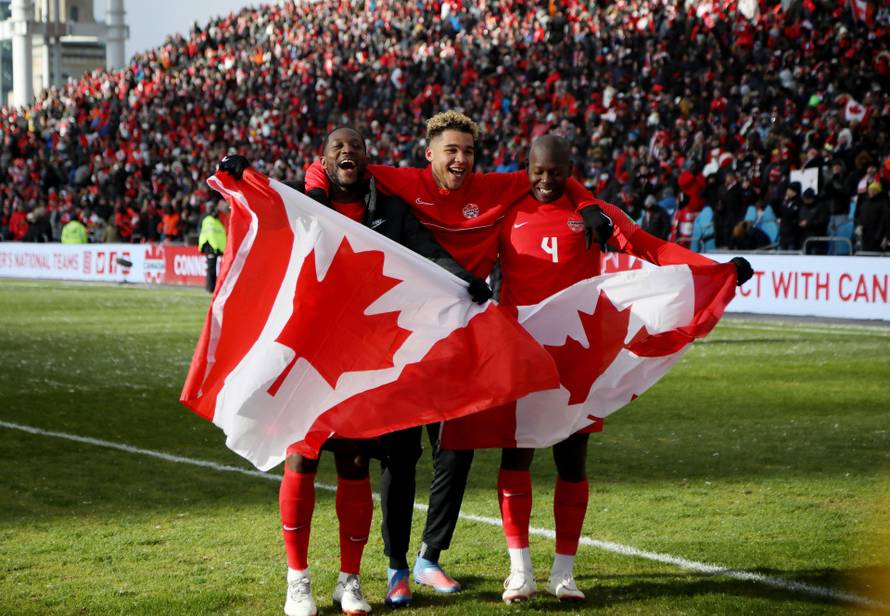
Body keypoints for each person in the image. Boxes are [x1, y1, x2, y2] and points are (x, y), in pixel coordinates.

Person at [302, 111, 610, 607]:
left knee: (456, 450)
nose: (460, 159)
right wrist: (316, 190)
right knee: (400, 454)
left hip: (466, 332)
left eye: (467, 151)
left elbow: (552, 171)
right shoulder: (404, 181)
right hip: (409, 335)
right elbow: (337, 162)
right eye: (451, 150)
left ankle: (430, 557)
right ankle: (397, 567)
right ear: (430, 154)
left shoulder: (494, 188)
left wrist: (589, 202)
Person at [219, 126, 491, 616]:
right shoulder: (304, 201)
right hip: (308, 349)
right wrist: (244, 175)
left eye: (357, 146)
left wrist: (464, 279)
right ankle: (297, 581)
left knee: (355, 462)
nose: (348, 151)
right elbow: (265, 205)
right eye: (337, 147)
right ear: (323, 159)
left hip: (359, 356)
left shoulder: (389, 210)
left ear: (366, 158)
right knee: (301, 458)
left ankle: (349, 580)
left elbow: (425, 251)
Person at [491, 135, 752, 604]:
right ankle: (519, 572)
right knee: (516, 458)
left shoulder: (596, 213)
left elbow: (652, 248)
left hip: (577, 358)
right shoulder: (506, 211)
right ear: (525, 168)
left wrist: (716, 268)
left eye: (556, 172)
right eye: (538, 171)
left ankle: (563, 574)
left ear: (570, 170)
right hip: (523, 353)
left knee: (572, 462)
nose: (546, 180)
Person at [197, 203, 227, 294]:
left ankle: (212, 287)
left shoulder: (213, 220)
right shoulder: (210, 220)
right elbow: (210, 235)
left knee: (212, 268)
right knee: (211, 268)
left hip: (213, 247)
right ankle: (210, 288)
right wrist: (216, 247)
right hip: (210, 247)